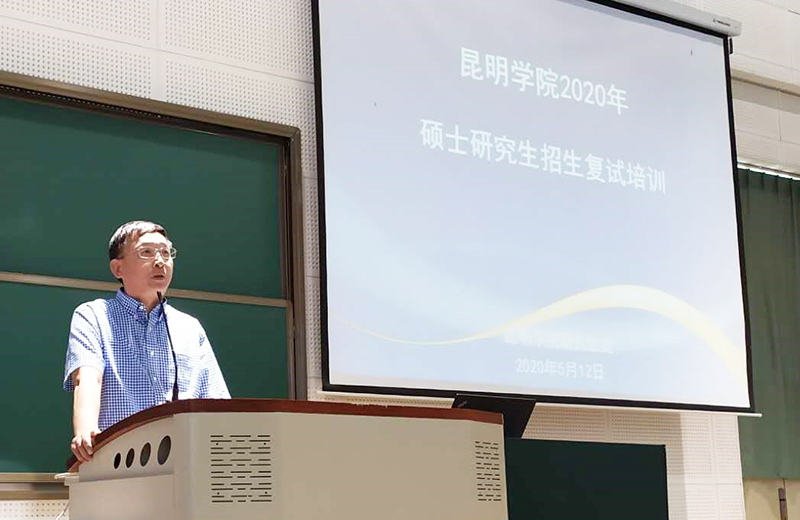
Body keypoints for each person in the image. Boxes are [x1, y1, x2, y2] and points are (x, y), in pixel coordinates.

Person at [63, 221, 230, 462]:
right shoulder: (94, 316)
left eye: (166, 253)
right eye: (147, 252)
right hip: (119, 462)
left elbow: (216, 401)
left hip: (188, 461)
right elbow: (88, 378)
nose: (160, 261)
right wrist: (85, 432)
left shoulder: (189, 328)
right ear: (117, 268)